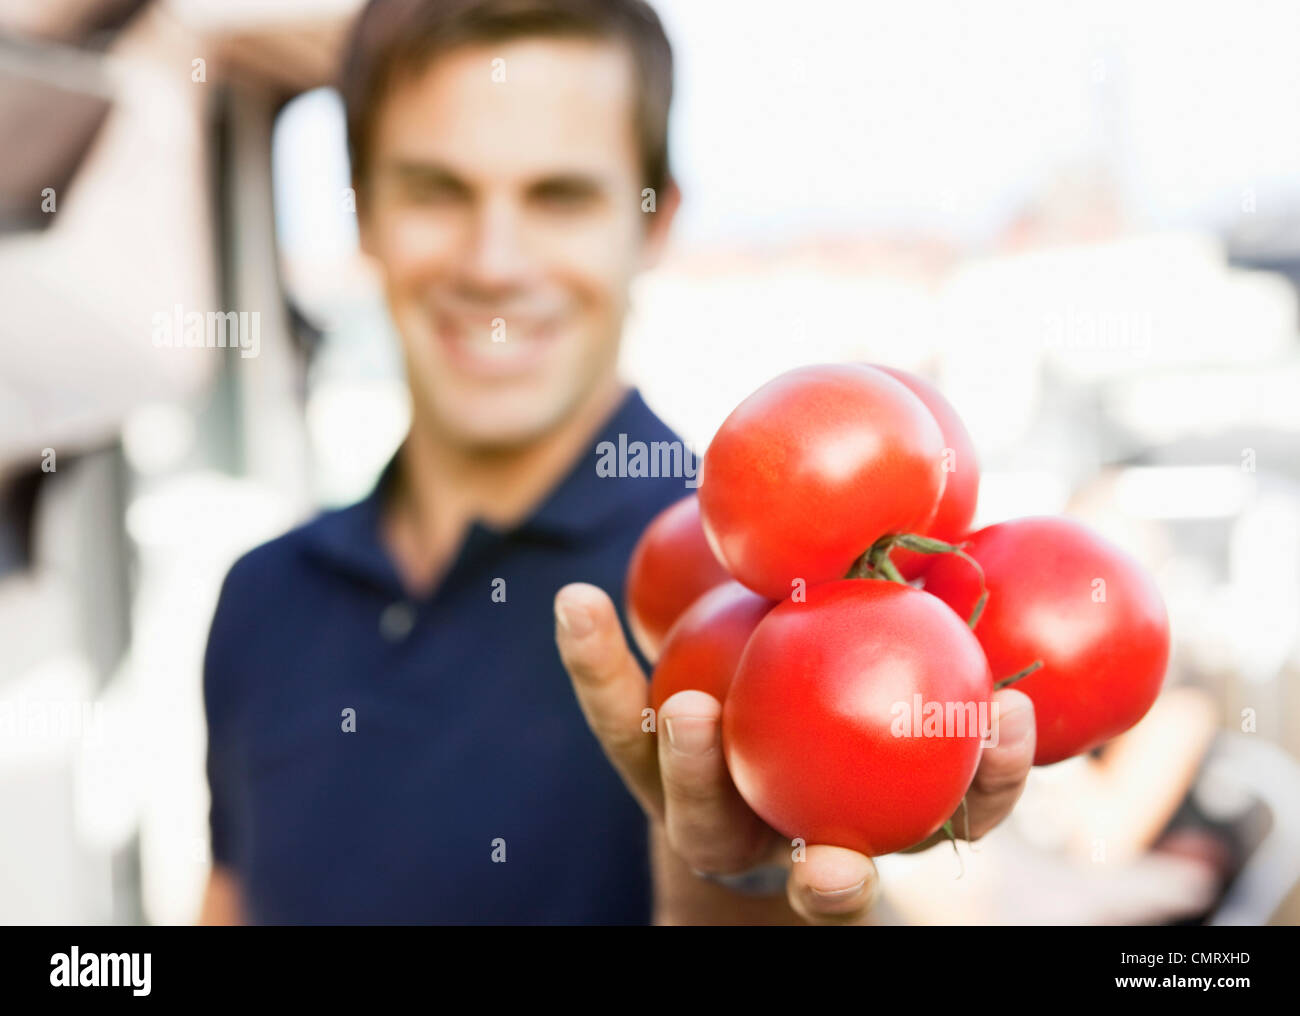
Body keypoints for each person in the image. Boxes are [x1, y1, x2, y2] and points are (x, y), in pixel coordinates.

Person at [199, 0, 1037, 926]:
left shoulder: (756, 600)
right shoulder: (263, 599)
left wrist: (751, 870)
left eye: (560, 197)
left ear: (654, 219)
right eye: (437, 190)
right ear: (363, 212)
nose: (494, 262)